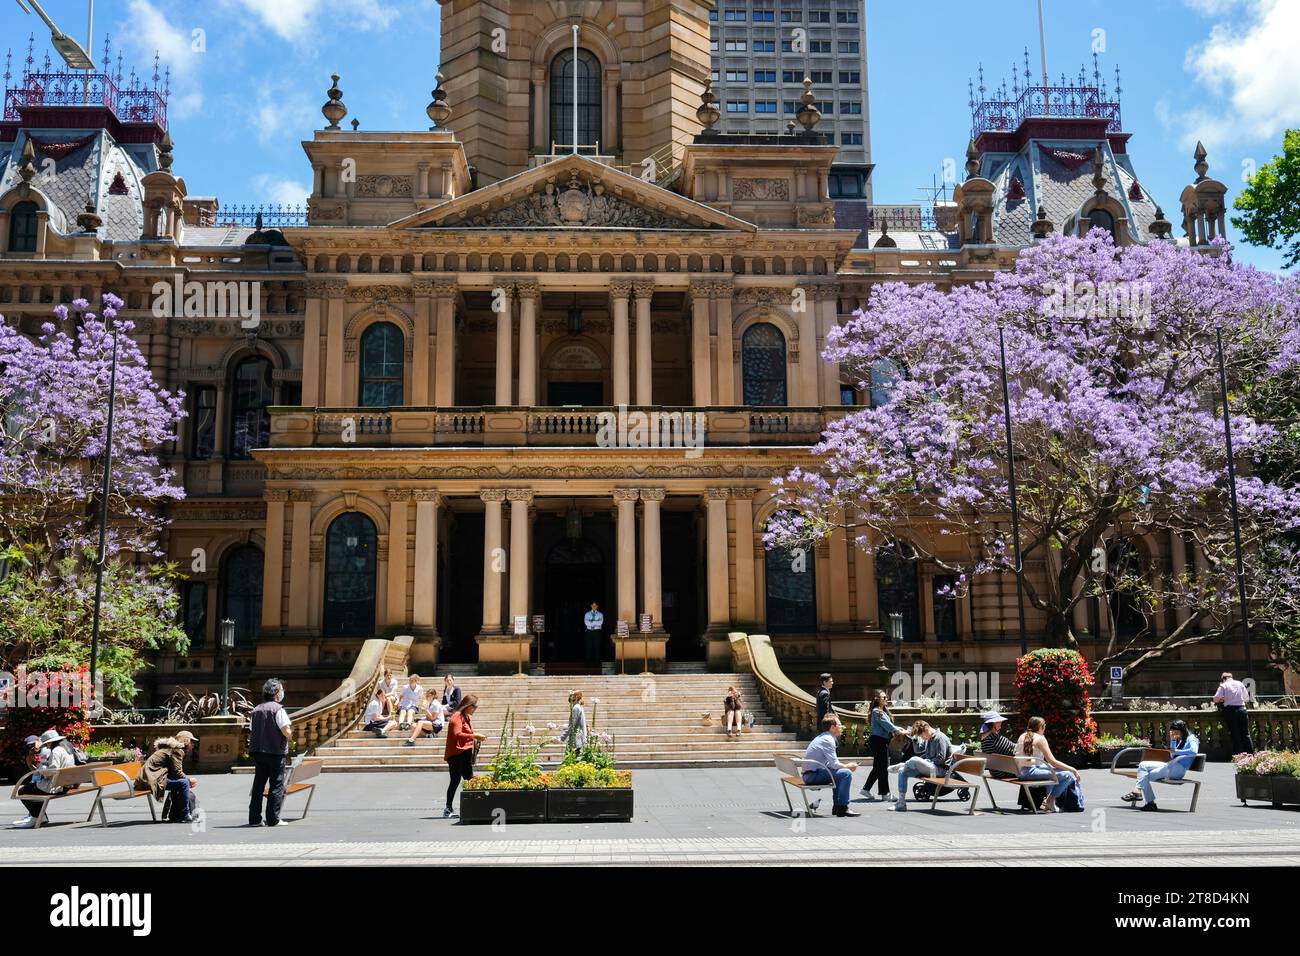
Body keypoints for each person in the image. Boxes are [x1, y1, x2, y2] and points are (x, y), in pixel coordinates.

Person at [1121, 719, 1200, 812]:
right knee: (1143, 765)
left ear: (1182, 730)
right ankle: (1138, 792)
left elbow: (1194, 751)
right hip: (1171, 766)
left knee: (1144, 776)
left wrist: (1177, 751)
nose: (1175, 734)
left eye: (1176, 732)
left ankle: (1148, 801)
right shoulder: (1180, 739)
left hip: (1178, 770)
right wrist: (1173, 740)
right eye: (1173, 732)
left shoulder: (1191, 738)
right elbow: (1172, 755)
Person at [248, 678, 292, 827]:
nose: (282, 693)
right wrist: (290, 735)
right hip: (275, 752)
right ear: (277, 693)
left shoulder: (256, 710)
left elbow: (252, 730)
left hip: (259, 752)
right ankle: (273, 819)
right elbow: (285, 730)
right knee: (276, 786)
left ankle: (254, 819)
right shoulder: (278, 710)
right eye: (281, 690)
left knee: (258, 786)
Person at [1015, 716, 1080, 813]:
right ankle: (1050, 800)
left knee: (1052, 770)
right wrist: (1073, 769)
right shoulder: (1040, 739)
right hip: (1029, 772)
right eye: (1044, 726)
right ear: (1041, 727)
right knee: (1068, 775)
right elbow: (1052, 761)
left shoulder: (1022, 736)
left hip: (1019, 772)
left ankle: (1048, 802)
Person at [800, 714, 860, 817]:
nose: (842, 727)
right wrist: (848, 766)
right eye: (840, 725)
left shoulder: (824, 737)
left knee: (839, 774)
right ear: (832, 727)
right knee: (846, 774)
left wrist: (842, 766)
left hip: (809, 774)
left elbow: (830, 764)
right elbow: (835, 764)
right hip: (812, 776)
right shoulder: (828, 740)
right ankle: (842, 807)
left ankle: (837, 807)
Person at [12, 730, 73, 829]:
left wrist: (42, 769)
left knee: (23, 791)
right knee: (33, 788)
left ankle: (36, 816)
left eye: (46, 743)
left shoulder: (56, 751)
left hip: (56, 786)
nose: (47, 746)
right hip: (66, 785)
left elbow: (52, 771)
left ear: (50, 742)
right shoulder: (66, 749)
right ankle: (40, 816)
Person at [893, 720, 955, 812]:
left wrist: (926, 761)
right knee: (902, 771)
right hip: (930, 767)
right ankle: (901, 803)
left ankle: (905, 764)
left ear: (926, 728)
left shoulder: (939, 737)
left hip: (940, 770)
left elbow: (941, 760)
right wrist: (914, 739)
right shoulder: (929, 738)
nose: (922, 737)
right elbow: (918, 750)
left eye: (922, 735)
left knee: (914, 759)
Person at [137, 731, 198, 823]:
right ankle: (184, 814)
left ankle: (175, 814)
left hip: (148, 778)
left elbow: (174, 773)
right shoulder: (177, 750)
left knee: (179, 782)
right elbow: (177, 772)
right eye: (192, 742)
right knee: (183, 783)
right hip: (151, 780)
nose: (193, 745)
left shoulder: (170, 749)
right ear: (186, 741)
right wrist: (189, 780)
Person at [444, 695, 487, 818]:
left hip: (463, 754)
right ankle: (450, 808)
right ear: (468, 706)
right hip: (457, 754)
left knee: (465, 779)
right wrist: (475, 736)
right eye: (474, 706)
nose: (475, 709)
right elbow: (457, 734)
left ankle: (470, 807)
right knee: (459, 780)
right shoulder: (457, 717)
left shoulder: (466, 717)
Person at [861, 690, 905, 800]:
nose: (886, 699)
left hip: (880, 741)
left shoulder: (881, 711)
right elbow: (886, 724)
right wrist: (899, 731)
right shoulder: (877, 711)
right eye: (884, 697)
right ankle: (885, 794)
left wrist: (899, 729)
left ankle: (866, 789)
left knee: (878, 767)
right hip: (878, 741)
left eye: (886, 697)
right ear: (877, 699)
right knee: (883, 767)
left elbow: (888, 724)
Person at [1213, 672, 1255, 755]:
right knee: (1246, 733)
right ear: (1231, 677)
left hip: (1231, 711)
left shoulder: (1223, 685)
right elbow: (1246, 698)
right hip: (1242, 709)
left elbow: (1216, 699)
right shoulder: (1240, 683)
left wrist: (1223, 699)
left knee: (1235, 733)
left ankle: (1239, 755)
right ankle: (1250, 754)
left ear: (1223, 679)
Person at [583, 601, 605, 666]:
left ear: (597, 606)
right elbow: (586, 623)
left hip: (597, 632)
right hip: (589, 631)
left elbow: (600, 623)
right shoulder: (587, 614)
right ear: (591, 606)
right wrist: (596, 621)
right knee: (588, 646)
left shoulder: (600, 614)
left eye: (595, 605)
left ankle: (597, 662)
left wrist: (591, 622)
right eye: (593, 605)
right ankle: (588, 663)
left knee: (597, 646)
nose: (594, 607)